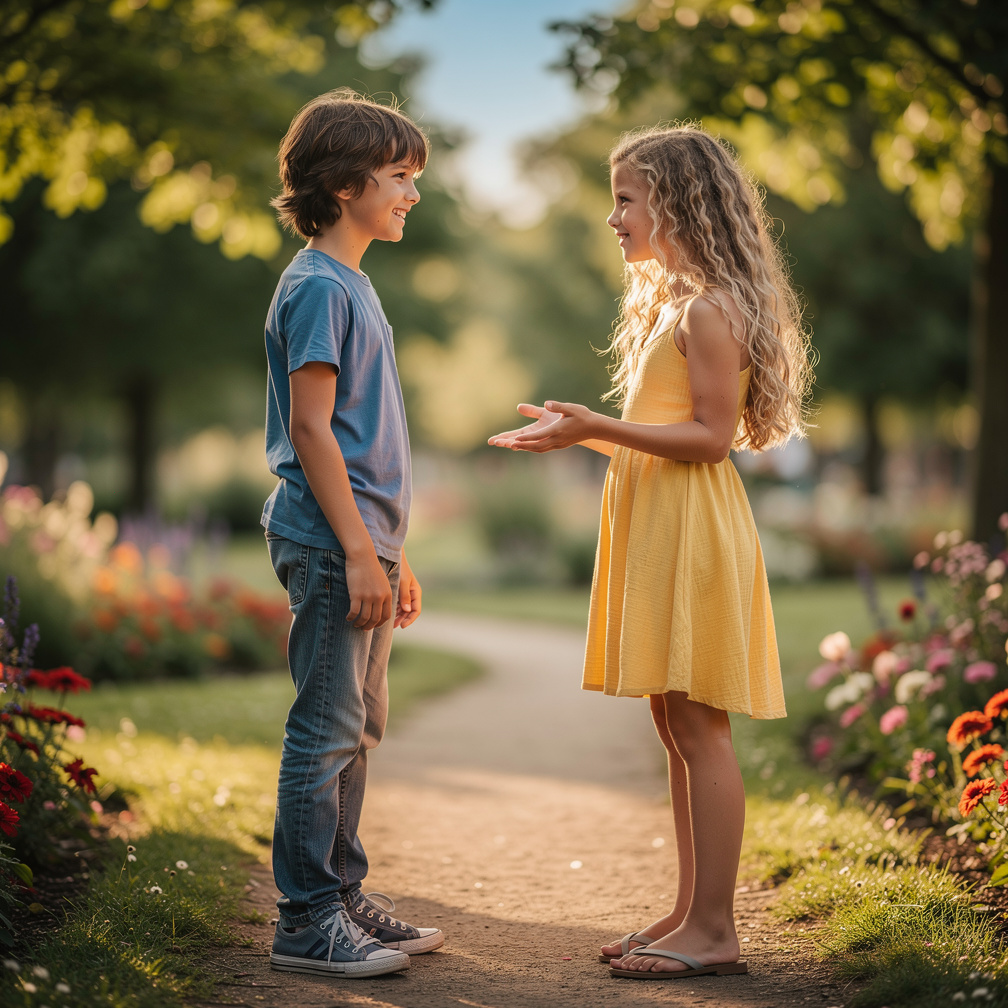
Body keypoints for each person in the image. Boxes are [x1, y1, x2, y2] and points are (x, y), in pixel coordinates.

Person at [489, 124, 811, 980]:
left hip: (693, 530)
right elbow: (661, 435)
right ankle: (686, 913)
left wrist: (598, 424)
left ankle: (715, 932)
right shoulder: (677, 303)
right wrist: (582, 438)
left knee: (702, 728)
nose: (614, 217)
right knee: (676, 727)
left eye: (627, 198)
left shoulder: (709, 309)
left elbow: (709, 439)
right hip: (665, 519)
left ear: (679, 203)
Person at [261, 89, 444, 979]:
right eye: (401, 177)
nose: (414, 193)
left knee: (359, 727)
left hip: (362, 544)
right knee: (325, 729)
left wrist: (393, 555)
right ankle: (305, 920)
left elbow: (370, 443)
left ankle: (338, 894)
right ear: (343, 184)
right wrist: (362, 552)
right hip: (334, 545)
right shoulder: (315, 287)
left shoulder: (352, 283)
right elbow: (311, 431)